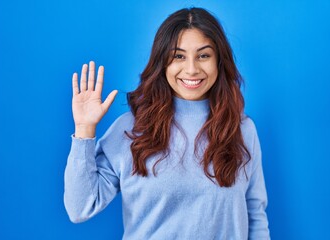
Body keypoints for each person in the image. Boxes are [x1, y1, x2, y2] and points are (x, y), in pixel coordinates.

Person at [64, 7, 270, 239]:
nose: (191, 69)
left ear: (219, 61)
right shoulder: (131, 129)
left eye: (203, 55)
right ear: (162, 63)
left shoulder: (241, 129)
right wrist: (83, 130)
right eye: (178, 56)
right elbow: (80, 208)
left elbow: (255, 213)